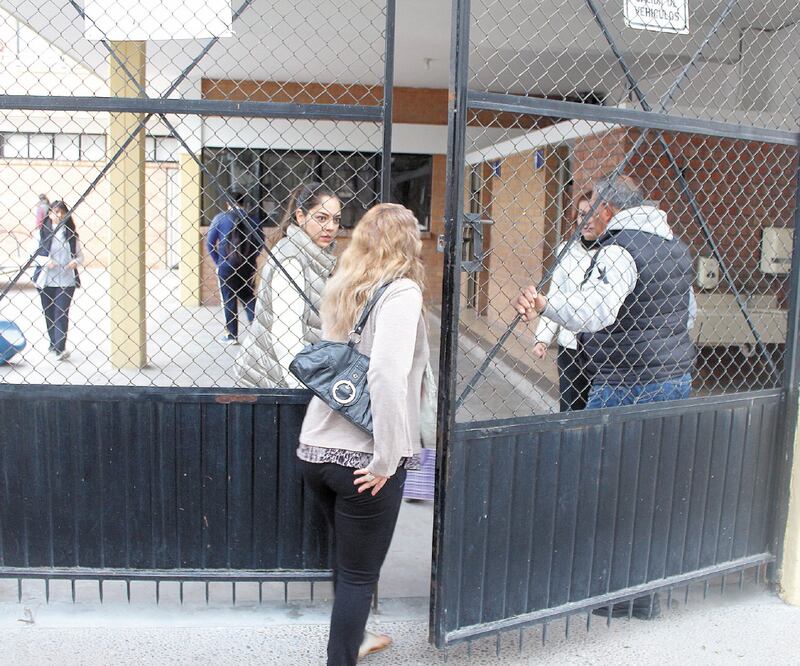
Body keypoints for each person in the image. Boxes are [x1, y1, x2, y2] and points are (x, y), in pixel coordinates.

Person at [514, 173, 696, 619]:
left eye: (590, 206)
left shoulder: (620, 250)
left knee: (603, 486)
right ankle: (644, 592)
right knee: (649, 487)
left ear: (609, 208)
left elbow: (596, 312)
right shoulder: (674, 247)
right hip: (673, 380)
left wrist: (544, 306)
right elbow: (690, 313)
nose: (585, 216)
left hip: (624, 384)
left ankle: (608, 592)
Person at [296, 203, 429, 665]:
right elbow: (386, 376)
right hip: (363, 461)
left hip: (316, 450)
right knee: (358, 575)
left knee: (347, 561)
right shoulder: (402, 292)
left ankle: (360, 636)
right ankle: (342, 656)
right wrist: (387, 459)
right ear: (406, 242)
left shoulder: (343, 284)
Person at [236, 182, 341, 388]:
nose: (330, 227)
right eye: (321, 218)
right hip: (274, 382)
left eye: (336, 220)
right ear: (300, 217)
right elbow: (286, 337)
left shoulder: (312, 255)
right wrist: (300, 390)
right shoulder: (292, 259)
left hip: (285, 375)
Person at [532, 193, 600, 411]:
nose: (587, 220)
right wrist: (542, 338)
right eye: (582, 214)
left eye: (593, 213)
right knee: (570, 409)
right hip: (570, 346)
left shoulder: (614, 251)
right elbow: (556, 295)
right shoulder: (565, 251)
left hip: (602, 348)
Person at [206, 190, 263, 345]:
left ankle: (231, 335)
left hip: (226, 266)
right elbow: (260, 244)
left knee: (228, 298)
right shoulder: (253, 220)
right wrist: (250, 258)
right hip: (248, 266)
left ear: (227, 204)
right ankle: (257, 332)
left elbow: (210, 244)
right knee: (248, 297)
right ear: (243, 203)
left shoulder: (220, 218)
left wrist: (219, 262)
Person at [32, 200, 83, 361]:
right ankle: (53, 343)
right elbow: (33, 255)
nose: (59, 215)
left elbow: (80, 256)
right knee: (49, 314)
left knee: (61, 312)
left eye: (62, 212)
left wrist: (76, 262)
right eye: (55, 212)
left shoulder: (71, 234)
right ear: (49, 214)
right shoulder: (41, 232)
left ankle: (60, 347)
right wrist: (47, 262)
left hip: (66, 280)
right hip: (46, 280)